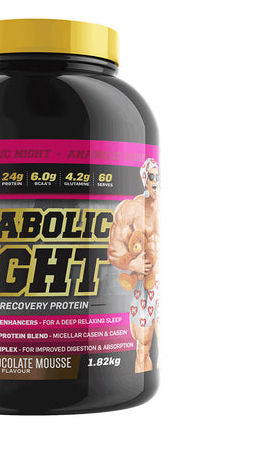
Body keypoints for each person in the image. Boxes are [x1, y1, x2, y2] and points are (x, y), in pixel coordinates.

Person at [108, 158, 160, 372]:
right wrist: (133, 263)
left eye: (159, 176)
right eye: (152, 176)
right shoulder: (132, 208)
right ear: (144, 178)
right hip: (144, 285)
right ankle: (142, 379)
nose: (156, 181)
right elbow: (114, 249)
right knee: (142, 346)